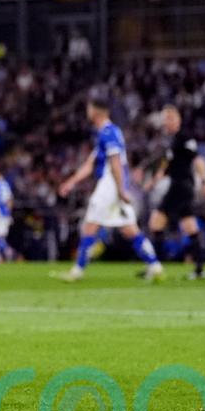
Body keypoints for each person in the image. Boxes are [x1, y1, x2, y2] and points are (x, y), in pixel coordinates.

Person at [54, 96, 164, 282]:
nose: (87, 112)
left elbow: (116, 162)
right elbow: (90, 164)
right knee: (129, 229)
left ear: (95, 111)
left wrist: (120, 189)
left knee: (90, 225)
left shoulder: (108, 132)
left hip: (110, 184)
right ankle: (155, 266)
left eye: (89, 108)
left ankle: (77, 270)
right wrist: (71, 182)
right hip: (115, 184)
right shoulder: (105, 133)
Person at [145, 106, 205, 279]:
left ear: (178, 120)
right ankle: (199, 270)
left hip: (181, 186)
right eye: (165, 119)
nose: (167, 122)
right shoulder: (172, 140)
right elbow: (167, 164)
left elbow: (197, 159)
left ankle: (155, 267)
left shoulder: (185, 137)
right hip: (180, 186)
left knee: (155, 223)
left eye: (170, 118)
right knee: (190, 227)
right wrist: (153, 181)